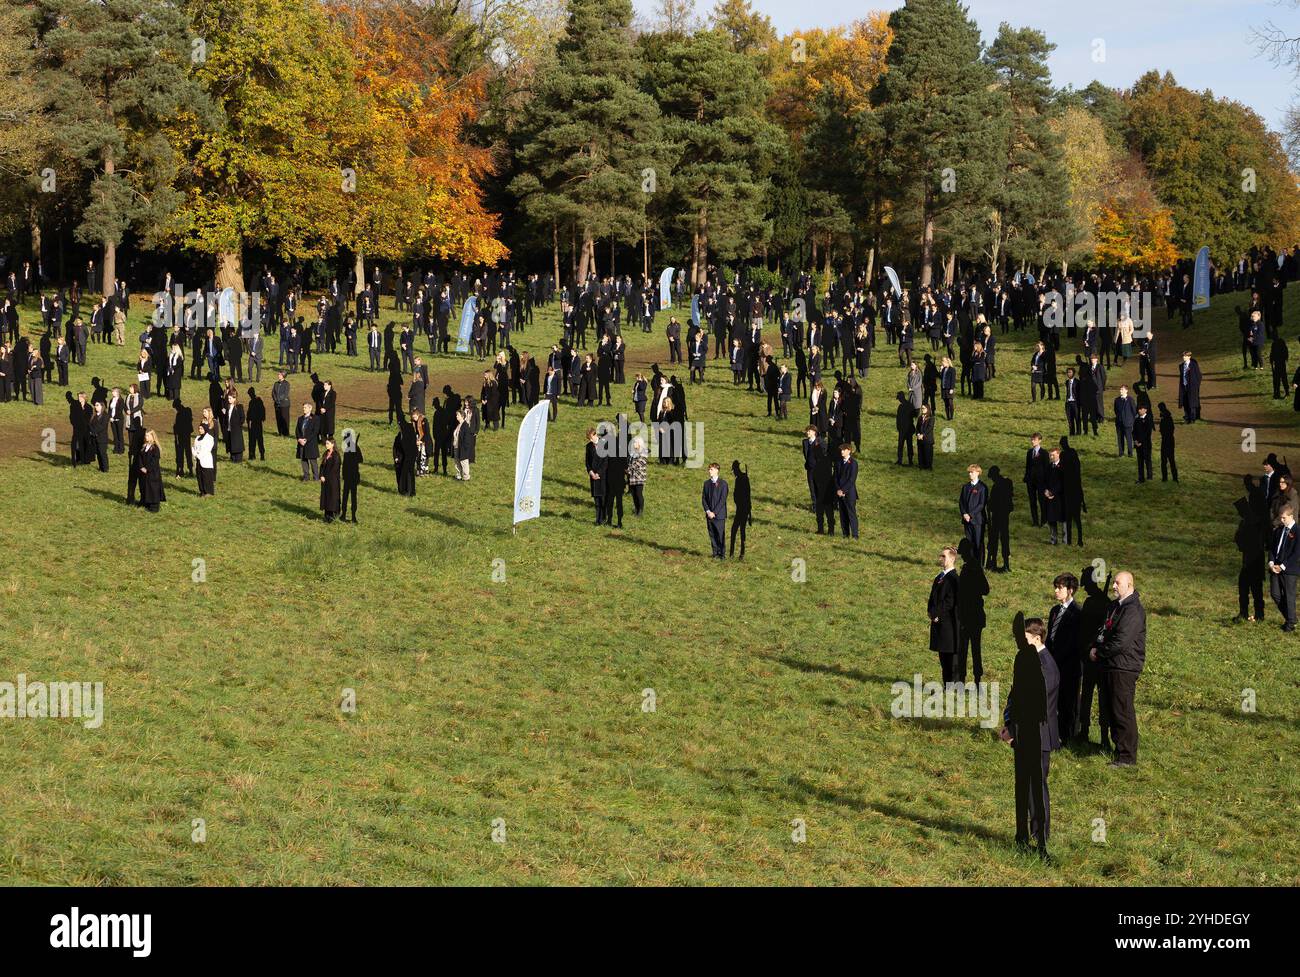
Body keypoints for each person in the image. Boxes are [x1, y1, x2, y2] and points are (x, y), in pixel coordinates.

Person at [1000, 614, 1059, 861]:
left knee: (1037, 790)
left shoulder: (1046, 667)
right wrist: (1009, 725)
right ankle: (1026, 836)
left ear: (1036, 638)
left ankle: (1040, 838)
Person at [1089, 571, 1146, 766]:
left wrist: (1100, 652)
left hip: (1124, 666)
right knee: (1112, 709)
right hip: (1110, 664)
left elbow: (1121, 641)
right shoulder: (1115, 606)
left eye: (1117, 583)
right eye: (1113, 582)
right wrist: (1094, 646)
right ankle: (1118, 749)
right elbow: (1104, 630)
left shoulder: (1133, 611)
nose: (1113, 586)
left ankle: (1127, 756)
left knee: (1122, 710)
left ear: (1129, 585)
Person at [1047, 573, 1082, 741]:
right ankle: (1056, 733)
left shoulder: (1077, 613)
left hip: (1069, 665)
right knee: (1056, 700)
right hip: (1053, 663)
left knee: (1069, 701)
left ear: (1070, 590)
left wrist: (1056, 659)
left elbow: (1073, 642)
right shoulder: (1055, 610)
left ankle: (1068, 736)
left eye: (1059, 588)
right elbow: (1050, 637)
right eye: (1055, 587)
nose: (1056, 590)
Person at [928, 546, 960, 685]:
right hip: (939, 622)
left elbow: (950, 601)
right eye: (940, 555)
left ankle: (953, 685)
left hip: (949, 624)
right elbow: (932, 597)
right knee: (943, 656)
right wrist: (931, 612)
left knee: (951, 658)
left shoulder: (954, 579)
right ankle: (947, 684)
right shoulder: (939, 577)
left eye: (944, 556)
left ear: (952, 559)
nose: (941, 558)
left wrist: (937, 614)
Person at [1268, 506, 1300, 632]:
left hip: (1290, 570)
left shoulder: (1297, 531)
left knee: (1289, 596)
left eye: (1284, 518)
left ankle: (1290, 623)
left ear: (1291, 517)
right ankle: (1291, 618)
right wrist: (1271, 563)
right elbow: (1272, 548)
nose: (1282, 520)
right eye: (1280, 517)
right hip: (1275, 568)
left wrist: (1282, 566)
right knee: (1275, 594)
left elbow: (1296, 553)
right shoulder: (1279, 530)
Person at [959, 464, 986, 561]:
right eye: (969, 472)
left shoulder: (982, 487)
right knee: (969, 543)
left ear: (978, 473)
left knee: (978, 543)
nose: (970, 474)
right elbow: (961, 502)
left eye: (972, 472)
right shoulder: (965, 487)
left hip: (977, 520)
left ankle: (979, 564)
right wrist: (964, 514)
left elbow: (981, 504)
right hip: (967, 520)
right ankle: (970, 563)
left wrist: (970, 514)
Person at [702, 462, 729, 558]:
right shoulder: (706, 484)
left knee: (720, 535)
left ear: (717, 470)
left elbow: (723, 500)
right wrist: (708, 511)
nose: (709, 471)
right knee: (712, 534)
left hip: (719, 515)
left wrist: (714, 512)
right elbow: (704, 499)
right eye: (709, 469)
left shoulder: (723, 484)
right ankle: (715, 553)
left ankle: (722, 554)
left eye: (711, 469)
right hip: (709, 515)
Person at [137, 430, 166, 512]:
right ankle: (146, 502)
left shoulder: (155, 448)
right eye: (146, 436)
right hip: (143, 472)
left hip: (153, 472)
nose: (146, 437)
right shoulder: (144, 447)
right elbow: (140, 457)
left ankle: (154, 506)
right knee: (145, 488)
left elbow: (155, 461)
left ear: (153, 437)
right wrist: (141, 466)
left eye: (148, 436)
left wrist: (147, 469)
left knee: (153, 489)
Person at [835, 443, 859, 539]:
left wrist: (843, 490)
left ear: (849, 451)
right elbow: (835, 477)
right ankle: (845, 533)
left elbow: (852, 479)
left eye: (843, 450)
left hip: (849, 493)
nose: (842, 452)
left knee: (851, 514)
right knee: (843, 514)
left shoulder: (853, 463)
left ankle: (854, 535)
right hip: (840, 493)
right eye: (841, 450)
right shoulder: (838, 463)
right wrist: (838, 489)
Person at [729, 460, 752, 558]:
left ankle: (733, 553)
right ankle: (740, 553)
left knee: (735, 530)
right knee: (741, 530)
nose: (733, 472)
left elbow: (745, 495)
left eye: (733, 470)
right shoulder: (742, 478)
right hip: (744, 508)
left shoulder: (740, 479)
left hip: (742, 509)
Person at [586, 428, 608, 526]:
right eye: (589, 438)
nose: (590, 440)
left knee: (603, 499)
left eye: (591, 438)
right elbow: (587, 462)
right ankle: (597, 519)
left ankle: (603, 518)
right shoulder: (588, 447)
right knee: (596, 499)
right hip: (593, 476)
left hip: (602, 476)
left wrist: (598, 473)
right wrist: (591, 472)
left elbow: (605, 462)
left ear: (595, 435)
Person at [341, 432, 362, 523]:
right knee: (347, 496)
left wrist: (355, 455)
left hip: (352, 475)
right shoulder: (348, 448)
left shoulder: (354, 448)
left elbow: (360, 459)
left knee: (350, 496)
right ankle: (345, 514)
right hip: (348, 476)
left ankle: (352, 516)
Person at [296, 403, 320, 480]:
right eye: (303, 408)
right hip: (301, 443)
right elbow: (297, 430)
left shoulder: (315, 418)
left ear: (310, 408)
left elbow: (315, 431)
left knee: (313, 461)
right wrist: (299, 439)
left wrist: (306, 439)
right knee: (303, 460)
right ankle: (306, 477)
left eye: (305, 408)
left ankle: (316, 477)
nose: (304, 409)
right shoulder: (300, 419)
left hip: (311, 443)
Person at [319, 437, 341, 522]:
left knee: (332, 497)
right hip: (325, 480)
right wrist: (321, 475)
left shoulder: (336, 456)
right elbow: (322, 466)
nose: (326, 445)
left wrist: (326, 477)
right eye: (326, 443)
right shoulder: (325, 453)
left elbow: (334, 470)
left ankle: (332, 516)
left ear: (333, 444)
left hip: (333, 481)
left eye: (328, 443)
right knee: (326, 497)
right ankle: (326, 515)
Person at [1178, 350, 1201, 423]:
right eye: (1183, 356)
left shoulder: (1193, 365)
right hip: (1184, 386)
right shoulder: (1181, 366)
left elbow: (1199, 375)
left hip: (1192, 387)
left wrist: (1196, 385)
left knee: (1192, 403)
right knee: (1185, 402)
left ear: (1189, 357)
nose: (1183, 357)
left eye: (1185, 356)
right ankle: (1187, 417)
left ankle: (1192, 418)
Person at [194, 422, 217, 496]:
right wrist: (194, 453)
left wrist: (199, 455)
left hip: (205, 460)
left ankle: (209, 492)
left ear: (205, 429)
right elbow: (194, 447)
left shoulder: (209, 438)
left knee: (207, 477)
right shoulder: (197, 438)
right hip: (198, 460)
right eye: (199, 428)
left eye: (201, 429)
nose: (200, 430)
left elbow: (207, 449)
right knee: (199, 476)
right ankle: (202, 491)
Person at [1133, 403, 1154, 482]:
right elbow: (1134, 431)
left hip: (1146, 444)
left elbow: (1148, 433)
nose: (1139, 410)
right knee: (1140, 462)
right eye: (1138, 409)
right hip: (1138, 444)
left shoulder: (1148, 419)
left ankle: (1149, 476)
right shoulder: (1137, 420)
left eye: (1140, 409)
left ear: (1145, 410)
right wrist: (1135, 440)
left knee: (1147, 460)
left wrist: (1141, 441)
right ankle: (1141, 478)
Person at [1158, 403, 1179, 482]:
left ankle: (1165, 478)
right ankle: (1174, 478)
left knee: (1165, 461)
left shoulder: (1165, 418)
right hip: (1170, 440)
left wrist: (1163, 432)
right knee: (1171, 460)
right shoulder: (1168, 417)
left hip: (1166, 441)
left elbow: (1166, 430)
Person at [628, 435, 648, 516]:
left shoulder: (643, 453)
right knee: (633, 494)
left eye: (635, 442)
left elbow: (638, 464)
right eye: (633, 442)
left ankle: (640, 510)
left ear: (640, 443)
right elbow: (628, 462)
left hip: (639, 477)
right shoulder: (632, 453)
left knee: (638, 493)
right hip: (632, 477)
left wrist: (627, 469)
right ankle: (636, 509)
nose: (634, 444)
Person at [915, 404, 934, 470]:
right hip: (920, 439)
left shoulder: (931, 418)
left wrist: (923, 435)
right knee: (920, 453)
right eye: (921, 408)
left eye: (923, 408)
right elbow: (917, 427)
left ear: (927, 409)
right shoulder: (920, 418)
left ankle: (928, 467)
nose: (922, 410)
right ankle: (921, 466)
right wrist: (918, 434)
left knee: (927, 453)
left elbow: (929, 428)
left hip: (927, 439)